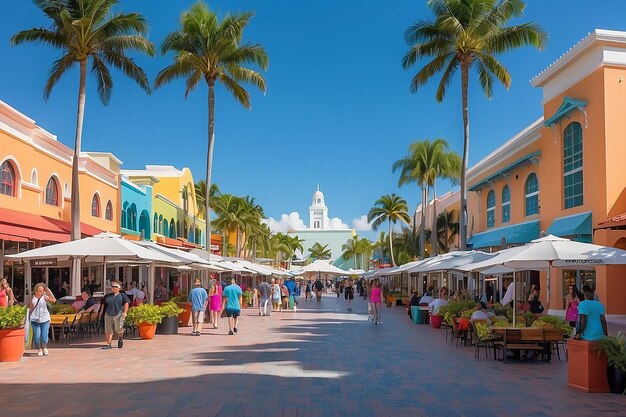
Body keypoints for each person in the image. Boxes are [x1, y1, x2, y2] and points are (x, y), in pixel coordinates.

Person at [102, 281, 130, 350]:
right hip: (108, 314)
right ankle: (108, 344)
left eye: (116, 287)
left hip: (118, 314)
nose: (114, 288)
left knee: (119, 329)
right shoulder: (107, 296)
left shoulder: (122, 295)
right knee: (108, 330)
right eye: (112, 286)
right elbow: (103, 305)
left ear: (119, 288)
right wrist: (101, 314)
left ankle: (120, 338)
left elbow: (126, 303)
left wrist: (125, 312)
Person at [30, 283, 56, 356]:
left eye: (42, 290)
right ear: (36, 291)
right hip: (35, 319)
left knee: (44, 337)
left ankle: (44, 347)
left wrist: (49, 291)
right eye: (40, 291)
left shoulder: (44, 297)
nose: (42, 292)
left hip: (45, 319)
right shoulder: (33, 298)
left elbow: (54, 300)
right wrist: (29, 317)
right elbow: (31, 308)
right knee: (37, 336)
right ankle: (39, 349)